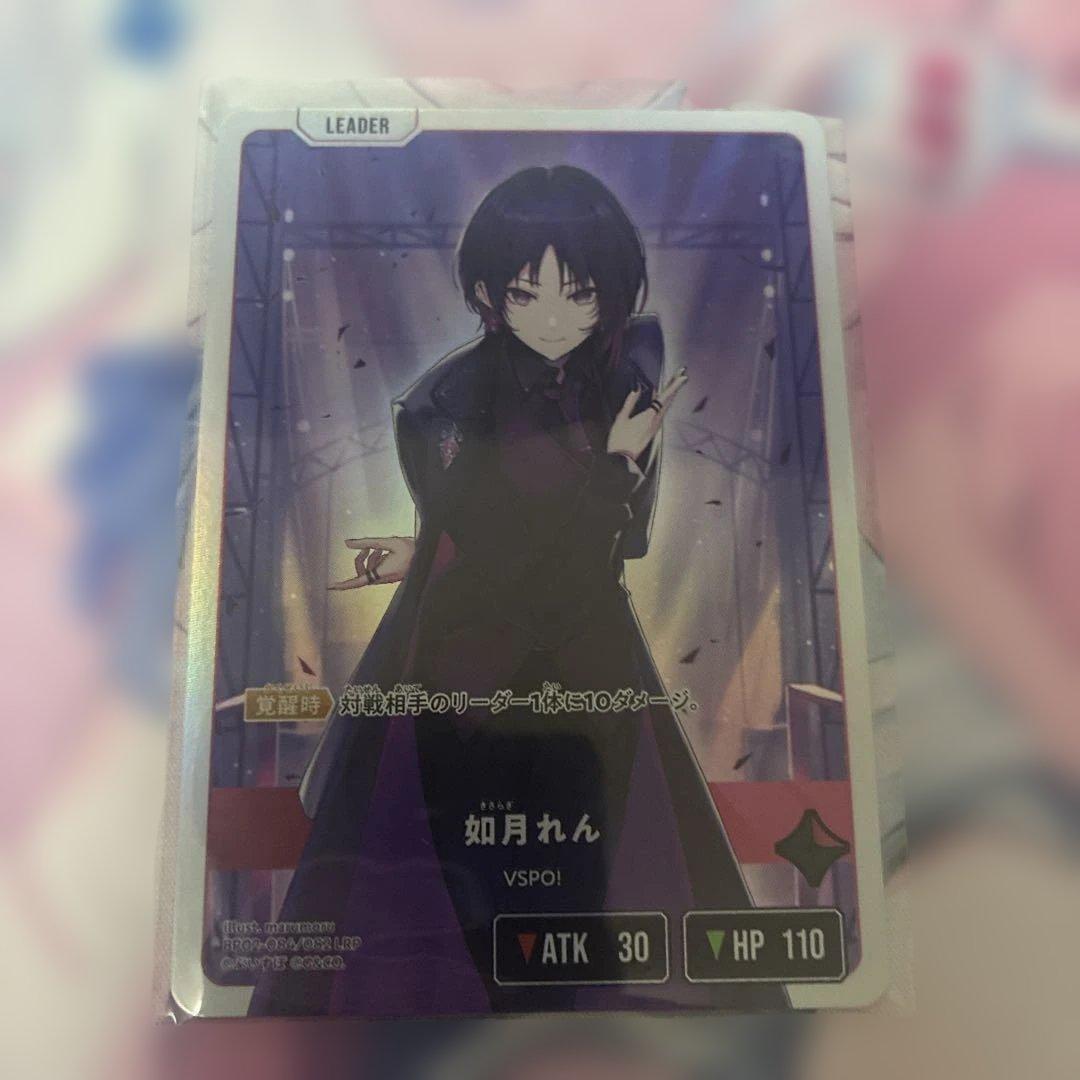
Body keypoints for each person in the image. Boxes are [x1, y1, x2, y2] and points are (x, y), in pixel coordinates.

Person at [249, 166, 785, 1016]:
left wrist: (618, 469)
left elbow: (619, 546)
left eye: (581, 293)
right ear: (488, 294)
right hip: (466, 656)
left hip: (586, 645)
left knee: (611, 861)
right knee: (443, 872)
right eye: (526, 293)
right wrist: (607, 471)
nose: (555, 318)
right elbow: (503, 551)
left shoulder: (625, 377)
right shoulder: (442, 405)